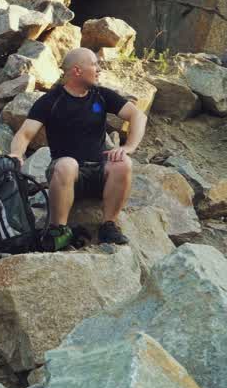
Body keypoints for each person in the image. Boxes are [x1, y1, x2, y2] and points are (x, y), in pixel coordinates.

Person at [8, 47, 147, 250]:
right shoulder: (50, 101)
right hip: (66, 176)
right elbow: (25, 134)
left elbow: (138, 116)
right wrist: (16, 154)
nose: (99, 69)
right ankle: (58, 231)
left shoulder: (101, 96)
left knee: (122, 163)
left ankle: (109, 226)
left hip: (98, 173)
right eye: (94, 64)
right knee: (67, 164)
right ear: (76, 71)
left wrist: (129, 146)